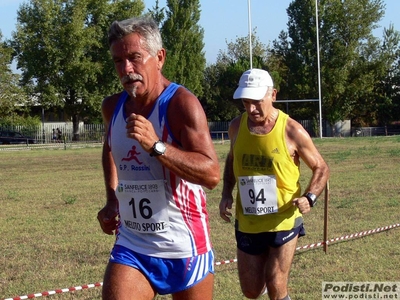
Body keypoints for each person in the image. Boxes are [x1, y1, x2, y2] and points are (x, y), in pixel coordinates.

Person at [97, 16, 220, 300]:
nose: (127, 69)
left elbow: (211, 173)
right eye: (118, 61)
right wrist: (112, 198)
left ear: (159, 57)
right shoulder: (112, 107)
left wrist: (157, 146)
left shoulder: (180, 104)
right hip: (133, 243)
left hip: (185, 245)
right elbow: (110, 149)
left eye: (135, 57)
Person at [219, 68, 330, 300]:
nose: (251, 109)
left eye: (257, 101)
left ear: (274, 95)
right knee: (250, 290)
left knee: (276, 282)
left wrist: (310, 197)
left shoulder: (292, 130)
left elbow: (321, 167)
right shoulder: (236, 127)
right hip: (248, 220)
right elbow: (232, 158)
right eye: (246, 102)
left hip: (284, 219)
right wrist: (226, 193)